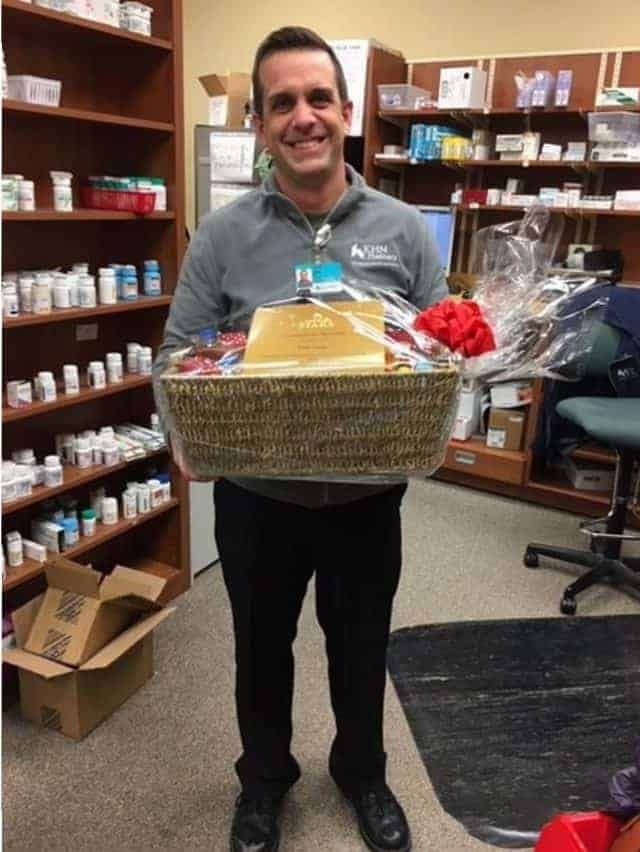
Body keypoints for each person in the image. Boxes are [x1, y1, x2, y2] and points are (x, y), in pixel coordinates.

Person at [154, 26, 448, 852]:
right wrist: (181, 428)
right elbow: (177, 352)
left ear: (347, 112)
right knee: (261, 648)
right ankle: (265, 781)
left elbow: (440, 348)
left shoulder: (400, 229)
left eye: (318, 97)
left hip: (365, 493)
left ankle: (362, 771)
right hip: (258, 497)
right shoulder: (223, 234)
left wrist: (448, 408)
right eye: (282, 102)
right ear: (259, 122)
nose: (303, 117)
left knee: (360, 646)